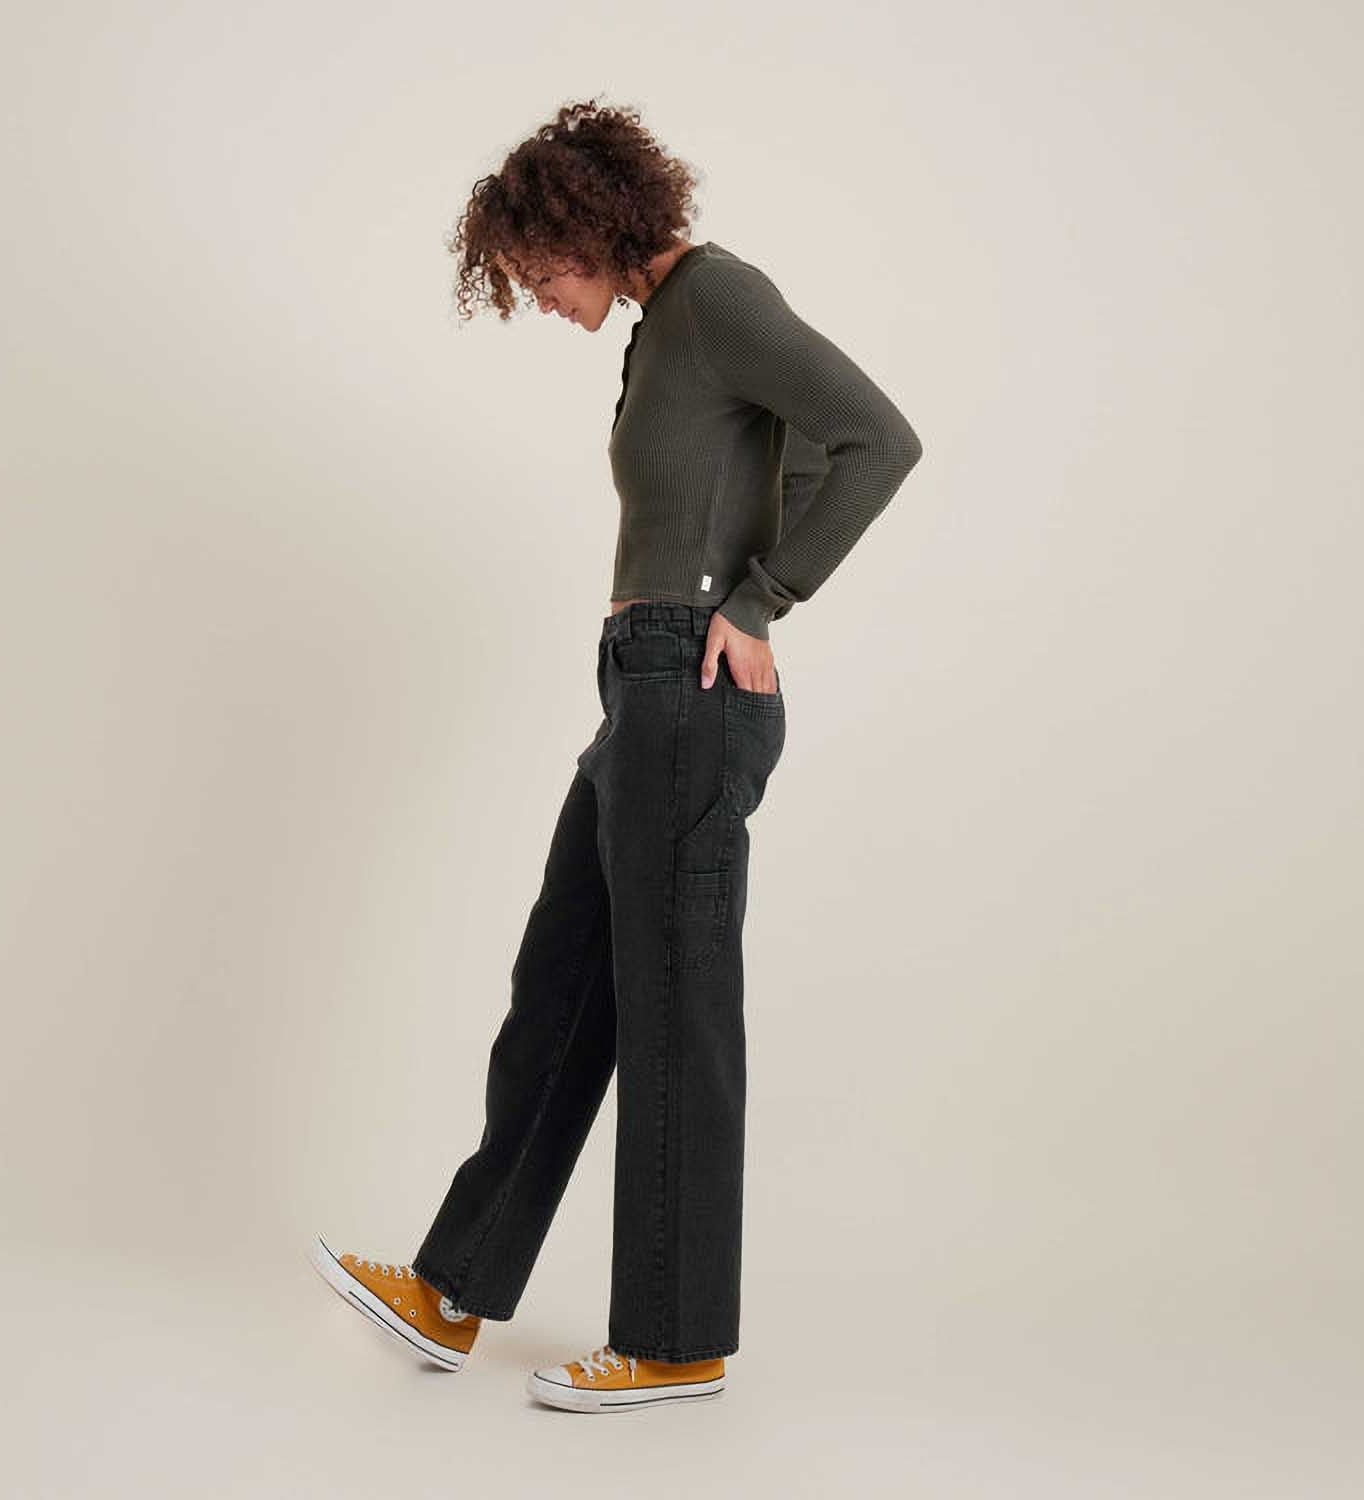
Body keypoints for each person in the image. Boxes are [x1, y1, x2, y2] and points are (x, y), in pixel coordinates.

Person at [309, 97, 923, 1413]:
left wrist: (761, 598)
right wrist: (738, 581)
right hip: (641, 695)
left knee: (672, 1010)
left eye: (536, 268)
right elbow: (793, 457)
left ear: (587, 224)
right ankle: (454, 1289)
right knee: (564, 986)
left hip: (687, 687)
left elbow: (877, 438)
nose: (534, 296)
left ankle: (674, 1339)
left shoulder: (717, 298)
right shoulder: (664, 334)